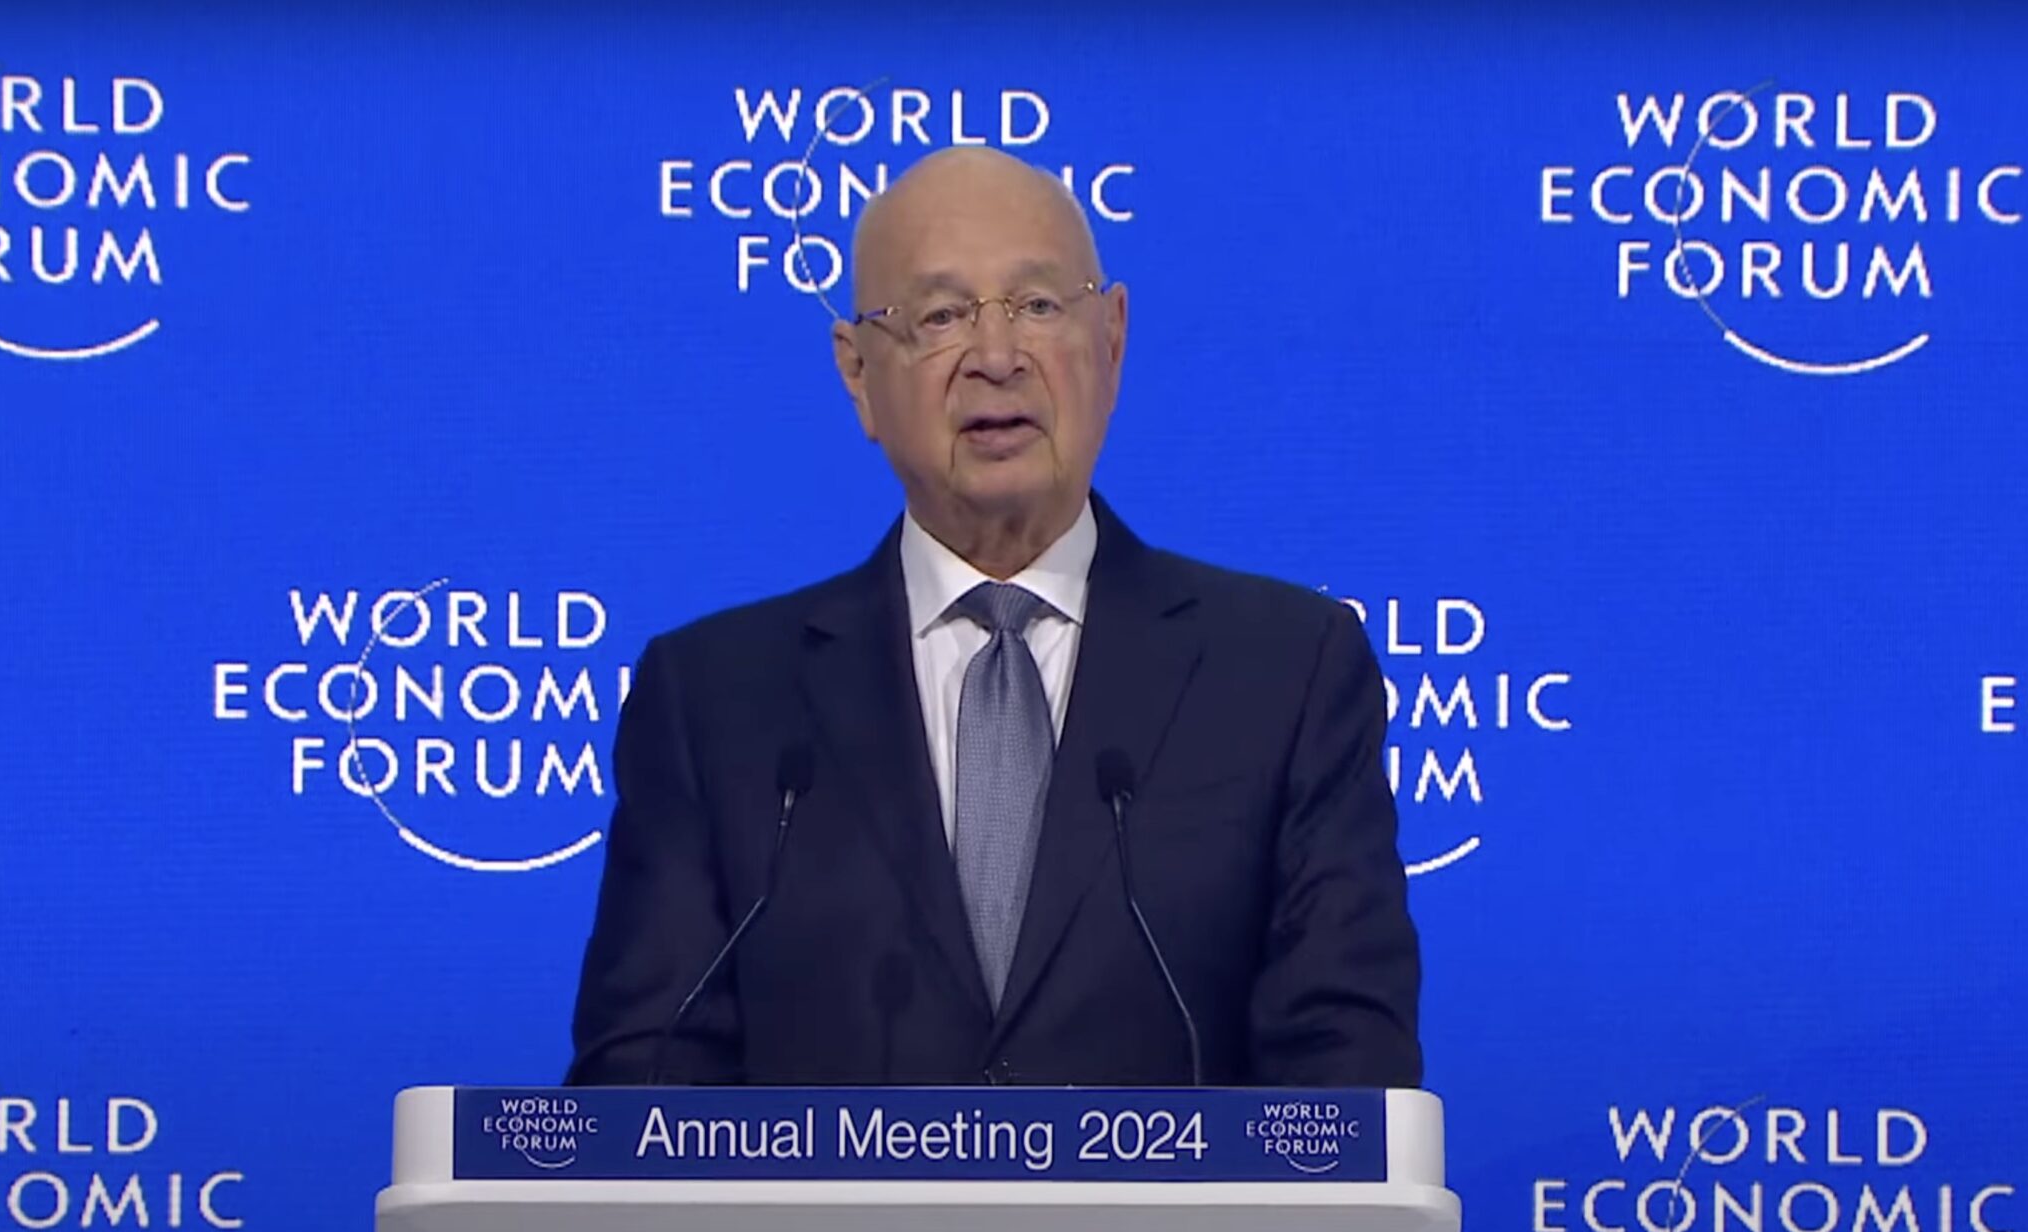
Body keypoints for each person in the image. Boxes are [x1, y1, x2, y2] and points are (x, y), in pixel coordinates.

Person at [568, 147, 1420, 1087]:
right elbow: (642, 1096)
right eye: (940, 316)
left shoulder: (1284, 674)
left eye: (1039, 305)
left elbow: (1346, 1089)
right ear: (858, 374)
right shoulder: (715, 703)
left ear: (1113, 339)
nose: (997, 358)